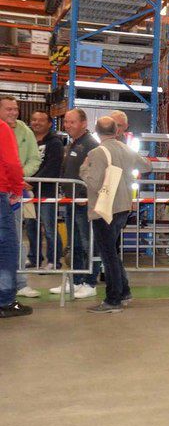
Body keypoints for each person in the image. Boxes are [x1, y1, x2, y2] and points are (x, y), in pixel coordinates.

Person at [79, 116, 151, 314]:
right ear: (116, 131)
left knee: (108, 254)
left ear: (97, 131)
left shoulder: (96, 153)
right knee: (112, 252)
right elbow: (147, 166)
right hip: (123, 207)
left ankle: (113, 299)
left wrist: (84, 168)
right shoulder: (127, 149)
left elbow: (93, 183)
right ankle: (124, 291)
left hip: (104, 209)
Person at [50, 109, 99, 299]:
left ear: (84, 123)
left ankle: (90, 282)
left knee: (89, 243)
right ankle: (76, 281)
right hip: (71, 202)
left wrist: (83, 195)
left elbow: (96, 174)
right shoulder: (73, 144)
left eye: (72, 122)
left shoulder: (90, 145)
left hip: (83, 204)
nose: (67, 125)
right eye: (66, 122)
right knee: (75, 244)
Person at [1, 96, 40, 299]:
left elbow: (34, 158)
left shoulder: (25, 131)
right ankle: (7, 295)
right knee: (9, 242)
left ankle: (19, 283)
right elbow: (10, 163)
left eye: (15, 109)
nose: (13, 112)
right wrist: (16, 183)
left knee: (14, 239)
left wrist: (22, 177)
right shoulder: (3, 130)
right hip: (8, 191)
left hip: (13, 191)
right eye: (8, 109)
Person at [0, 111, 29, 318]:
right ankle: (5, 300)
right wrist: (17, 189)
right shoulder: (3, 129)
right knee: (7, 249)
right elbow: (11, 163)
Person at [26, 110, 63, 271]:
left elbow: (53, 167)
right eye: (34, 120)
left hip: (47, 192)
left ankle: (54, 260)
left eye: (41, 120)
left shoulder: (55, 143)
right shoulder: (27, 140)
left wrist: (32, 182)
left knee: (49, 228)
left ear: (49, 124)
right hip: (27, 192)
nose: (37, 123)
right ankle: (34, 258)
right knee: (30, 226)